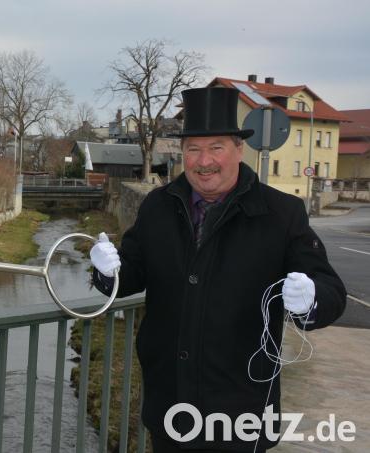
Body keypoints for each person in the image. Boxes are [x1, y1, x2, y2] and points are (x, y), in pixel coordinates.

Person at [90, 87, 346, 452]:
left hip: (242, 413)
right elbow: (130, 275)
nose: (203, 160)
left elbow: (330, 292)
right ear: (182, 154)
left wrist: (310, 300)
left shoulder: (281, 214)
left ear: (239, 150)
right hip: (170, 405)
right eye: (193, 149)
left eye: (216, 148)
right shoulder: (158, 207)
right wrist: (106, 270)